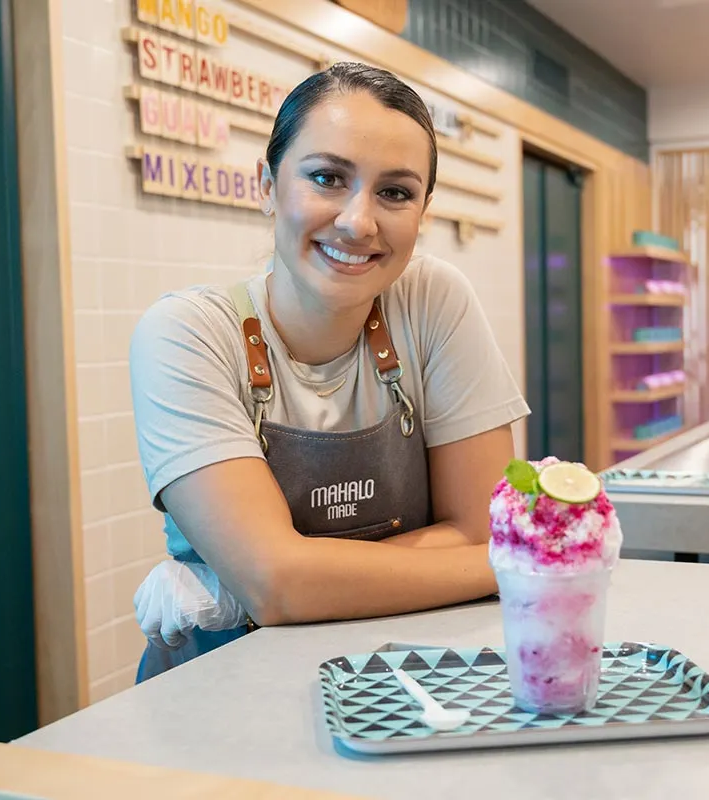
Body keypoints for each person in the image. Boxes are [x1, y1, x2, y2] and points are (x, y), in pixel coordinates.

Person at [129, 61, 530, 682]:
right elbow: (278, 583)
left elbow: (479, 527)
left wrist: (265, 586)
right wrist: (521, 560)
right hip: (220, 695)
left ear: (423, 210)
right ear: (268, 185)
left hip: (406, 682)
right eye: (327, 177)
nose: (358, 221)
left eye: (394, 192)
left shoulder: (431, 301)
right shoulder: (188, 334)